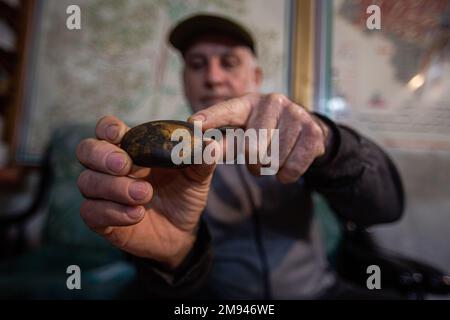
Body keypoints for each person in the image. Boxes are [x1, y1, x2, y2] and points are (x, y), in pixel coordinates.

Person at [76, 14, 404, 299]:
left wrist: (330, 145)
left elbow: (386, 208)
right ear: (184, 81)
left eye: (229, 62)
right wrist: (175, 258)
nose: (213, 77)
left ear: (256, 78)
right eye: (196, 64)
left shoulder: (295, 138)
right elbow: (163, 273)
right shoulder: (161, 165)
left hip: (319, 293)